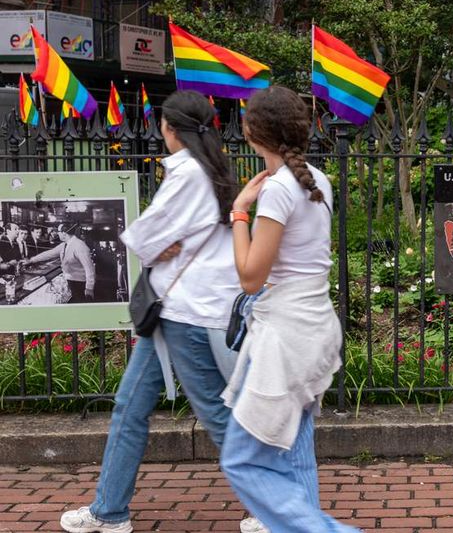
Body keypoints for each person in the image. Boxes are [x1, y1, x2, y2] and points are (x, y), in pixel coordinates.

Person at [59, 91, 267, 533]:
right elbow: (154, 237)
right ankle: (109, 510)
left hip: (183, 311)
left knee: (213, 412)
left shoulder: (187, 173)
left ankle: (275, 506)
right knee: (129, 407)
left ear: (169, 127)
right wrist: (158, 242)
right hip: (172, 308)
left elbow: (140, 235)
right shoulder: (209, 167)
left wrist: (157, 243)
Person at [220, 86, 357, 533]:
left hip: (285, 334)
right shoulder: (317, 179)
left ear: (250, 132)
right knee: (296, 449)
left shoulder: (279, 189)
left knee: (241, 459)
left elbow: (251, 276)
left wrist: (240, 213)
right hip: (313, 325)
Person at [22, 223, 95, 302]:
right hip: (71, 281)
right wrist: (31, 260)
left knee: (80, 305)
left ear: (64, 233)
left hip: (80, 284)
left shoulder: (79, 245)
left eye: (59, 232)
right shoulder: (65, 244)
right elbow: (49, 253)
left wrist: (89, 288)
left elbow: (90, 269)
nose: (57, 234)